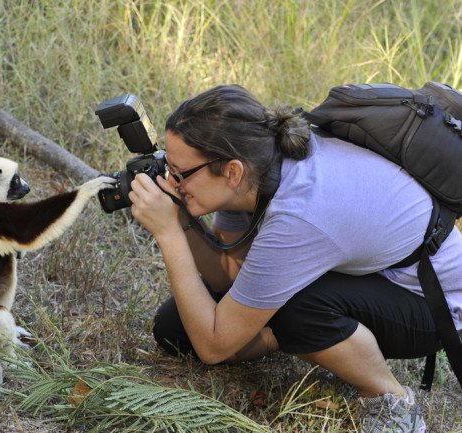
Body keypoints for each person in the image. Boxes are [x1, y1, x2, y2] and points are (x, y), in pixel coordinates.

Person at [127, 84, 462, 433]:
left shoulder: (297, 215)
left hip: (432, 306)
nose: (172, 182)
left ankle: (392, 403)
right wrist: (182, 217)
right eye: (169, 168)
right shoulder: (259, 169)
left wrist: (169, 233)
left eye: (181, 174)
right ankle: (292, 336)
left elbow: (213, 347)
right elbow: (228, 275)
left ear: (232, 172)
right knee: (173, 327)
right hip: (373, 274)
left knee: (293, 308)